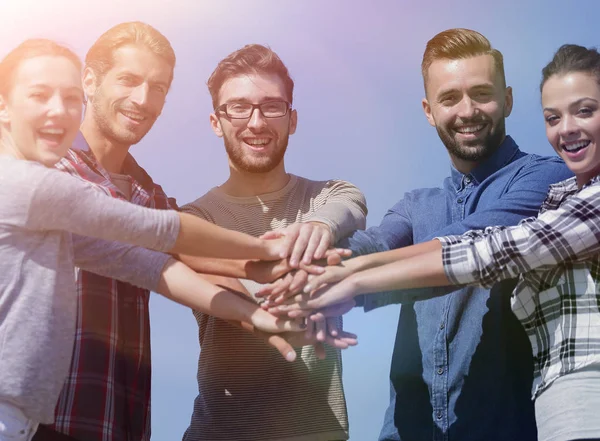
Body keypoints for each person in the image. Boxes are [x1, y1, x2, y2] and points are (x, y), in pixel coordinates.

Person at [265, 28, 574, 441]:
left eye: (481, 93)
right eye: (449, 98)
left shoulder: (548, 179)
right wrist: (310, 264)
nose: (467, 110)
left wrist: (348, 286)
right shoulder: (416, 205)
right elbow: (370, 244)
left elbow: (470, 242)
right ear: (429, 111)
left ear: (508, 100)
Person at [0, 38, 301, 441]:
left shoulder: (148, 195)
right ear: (92, 81)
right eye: (128, 79)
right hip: (52, 419)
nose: (143, 98)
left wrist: (257, 309)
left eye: (158, 87)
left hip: (108, 419)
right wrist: (266, 249)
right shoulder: (39, 180)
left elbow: (152, 263)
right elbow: (156, 231)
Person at [180, 44, 367, 441]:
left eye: (271, 107)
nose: (256, 121)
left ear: (292, 119)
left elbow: (350, 204)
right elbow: (203, 272)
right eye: (238, 108)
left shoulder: (326, 196)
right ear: (216, 121)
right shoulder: (195, 219)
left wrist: (317, 227)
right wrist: (263, 306)